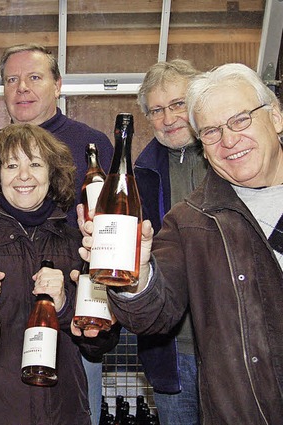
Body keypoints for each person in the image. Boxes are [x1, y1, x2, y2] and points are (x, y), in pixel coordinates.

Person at [78, 63, 283, 423]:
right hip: (192, 361)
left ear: (276, 117)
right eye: (212, 131)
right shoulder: (182, 213)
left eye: (240, 120)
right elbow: (156, 303)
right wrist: (136, 278)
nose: (229, 140)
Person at [0, 123, 120, 424]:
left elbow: (101, 342)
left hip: (63, 414)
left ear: (52, 175)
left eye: (35, 164)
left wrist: (66, 304)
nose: (23, 175)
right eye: (12, 165)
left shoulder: (77, 244)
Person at [0, 43, 114, 424]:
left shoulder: (92, 145)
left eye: (34, 77)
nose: (22, 88)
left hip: (73, 312)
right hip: (6, 310)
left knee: (75, 407)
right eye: (11, 80)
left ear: (58, 84)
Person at [133, 59, 206, 424]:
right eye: (157, 110)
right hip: (172, 347)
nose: (168, 118)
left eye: (178, 104)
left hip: (233, 343)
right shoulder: (141, 175)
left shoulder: (232, 158)